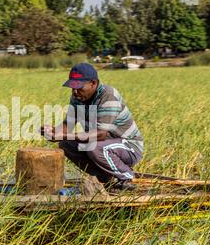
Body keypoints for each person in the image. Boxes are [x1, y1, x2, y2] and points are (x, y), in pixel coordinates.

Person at [41, 63, 144, 191]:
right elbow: (68, 125)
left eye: (79, 87)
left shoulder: (108, 95)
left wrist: (63, 134)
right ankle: (105, 178)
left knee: (94, 146)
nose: (74, 92)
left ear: (93, 83)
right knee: (65, 144)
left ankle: (126, 177)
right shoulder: (77, 98)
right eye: (72, 87)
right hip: (104, 145)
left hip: (129, 147)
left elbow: (101, 134)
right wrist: (52, 131)